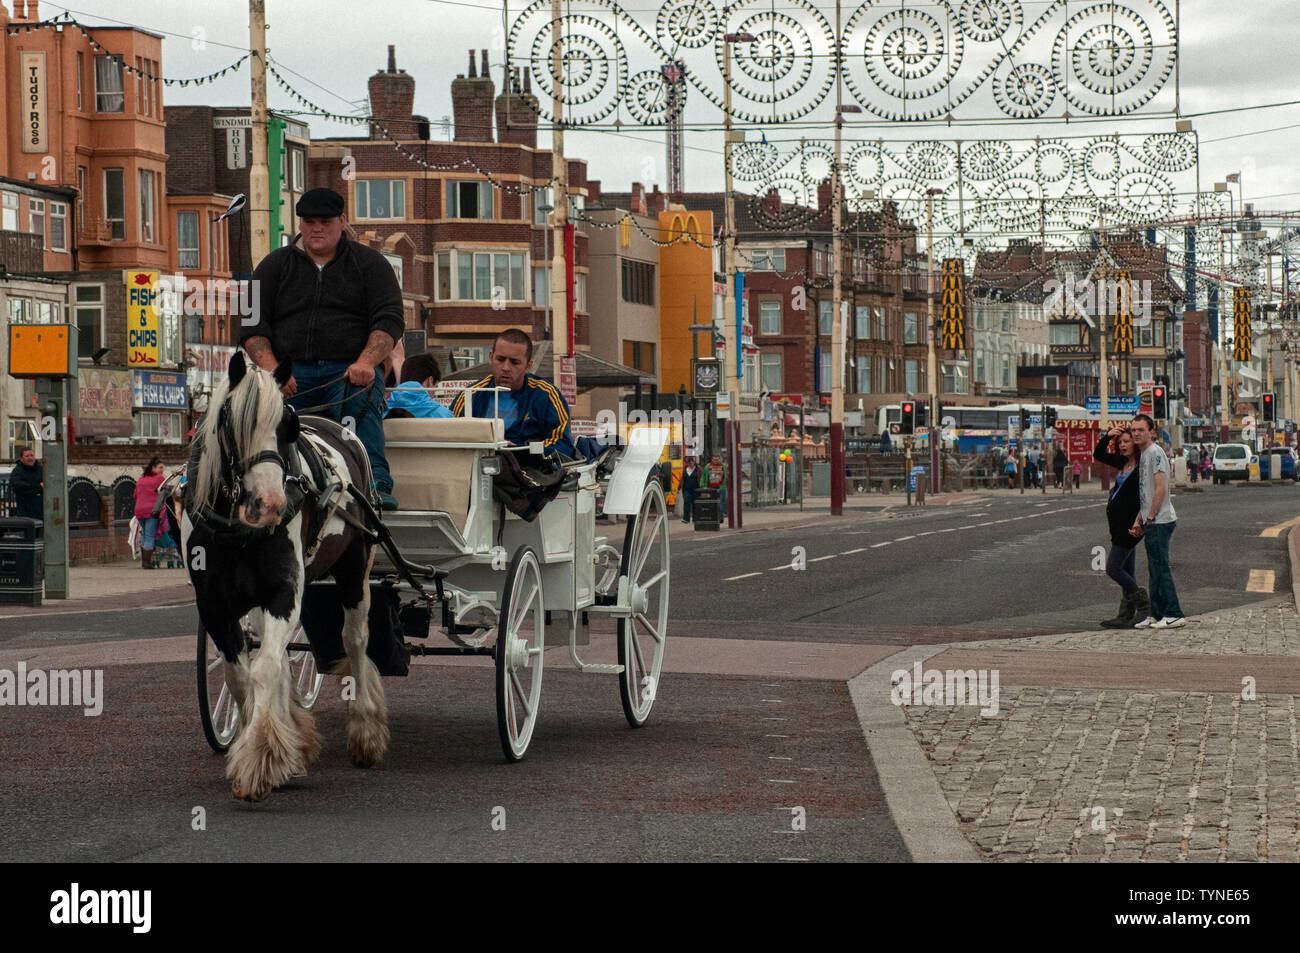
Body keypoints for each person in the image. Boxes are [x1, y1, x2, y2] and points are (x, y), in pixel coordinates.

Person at [240, 187, 404, 509]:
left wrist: (366, 363)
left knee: (359, 413)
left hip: (347, 373)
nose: (317, 228)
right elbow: (251, 326)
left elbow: (389, 320)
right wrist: (274, 371)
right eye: (309, 221)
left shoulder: (372, 265)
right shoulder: (272, 267)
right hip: (288, 373)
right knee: (256, 420)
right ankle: (253, 488)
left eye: (326, 221)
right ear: (300, 224)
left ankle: (373, 487)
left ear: (342, 221)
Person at [452, 329, 574, 457]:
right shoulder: (470, 395)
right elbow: (448, 437)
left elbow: (563, 444)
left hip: (530, 472)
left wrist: (520, 452)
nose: (506, 368)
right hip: (478, 471)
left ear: (528, 366)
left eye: (514, 362)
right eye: (500, 359)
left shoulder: (547, 395)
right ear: (491, 358)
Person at [1130, 414, 1185, 629]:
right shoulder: (1144, 454)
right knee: (1153, 570)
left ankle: (1174, 613)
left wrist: (1150, 518)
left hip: (1160, 521)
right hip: (1151, 519)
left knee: (1161, 568)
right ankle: (1157, 613)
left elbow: (1161, 488)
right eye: (1133, 430)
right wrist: (1139, 519)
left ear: (1152, 432)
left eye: (1141, 430)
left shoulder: (1155, 453)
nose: (1136, 433)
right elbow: (1146, 492)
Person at [1093, 425, 1150, 627]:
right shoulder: (1122, 462)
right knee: (1128, 570)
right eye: (1120, 442)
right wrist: (1108, 436)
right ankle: (1125, 614)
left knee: (1113, 568)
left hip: (1131, 526)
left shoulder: (1142, 466)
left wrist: (1139, 520)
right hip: (1117, 526)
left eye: (1127, 441)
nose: (1123, 445)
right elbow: (1098, 453)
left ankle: (1144, 606)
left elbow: (1146, 497)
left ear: (1135, 443)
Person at [386, 352, 453, 419]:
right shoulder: (445, 415)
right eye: (435, 387)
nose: (433, 396)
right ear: (430, 381)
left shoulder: (382, 410)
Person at [133, 456, 168, 570]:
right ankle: (146, 563)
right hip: (152, 511)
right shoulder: (159, 478)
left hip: (139, 511)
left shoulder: (141, 479)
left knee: (144, 534)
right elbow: (166, 493)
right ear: (153, 468)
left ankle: (144, 562)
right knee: (149, 536)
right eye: (160, 467)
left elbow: (135, 495)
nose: (162, 470)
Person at [10, 447, 43, 520]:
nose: (30, 458)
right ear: (21, 459)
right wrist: (38, 487)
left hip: (42, 512)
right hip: (26, 512)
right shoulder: (17, 471)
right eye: (27, 456)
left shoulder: (40, 469)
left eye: (32, 455)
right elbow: (18, 486)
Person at [706, 452, 728, 517]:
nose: (716, 461)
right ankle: (715, 514)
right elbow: (705, 476)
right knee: (712, 501)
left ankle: (721, 514)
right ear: (712, 459)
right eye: (714, 459)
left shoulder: (723, 466)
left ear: (719, 459)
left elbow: (726, 475)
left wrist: (724, 483)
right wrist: (704, 486)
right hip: (711, 487)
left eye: (717, 459)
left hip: (721, 486)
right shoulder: (708, 466)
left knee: (722, 501)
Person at [680, 456, 700, 523]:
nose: (691, 464)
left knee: (695, 504)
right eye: (689, 462)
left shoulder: (698, 469)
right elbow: (682, 479)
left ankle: (695, 518)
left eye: (692, 462)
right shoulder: (685, 469)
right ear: (687, 463)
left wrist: (701, 488)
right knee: (686, 503)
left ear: (694, 463)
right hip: (686, 489)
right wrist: (679, 487)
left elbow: (700, 478)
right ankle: (686, 519)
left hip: (696, 489)